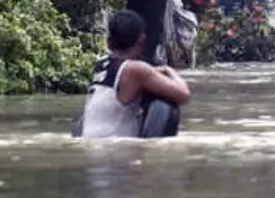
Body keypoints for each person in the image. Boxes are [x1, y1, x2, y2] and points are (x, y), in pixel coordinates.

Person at [82, 10, 192, 138]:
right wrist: (169, 70)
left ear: (109, 40)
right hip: (114, 150)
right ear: (141, 41)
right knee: (166, 104)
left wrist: (153, 72)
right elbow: (184, 94)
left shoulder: (100, 64)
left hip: (91, 144)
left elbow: (127, 76)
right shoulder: (136, 70)